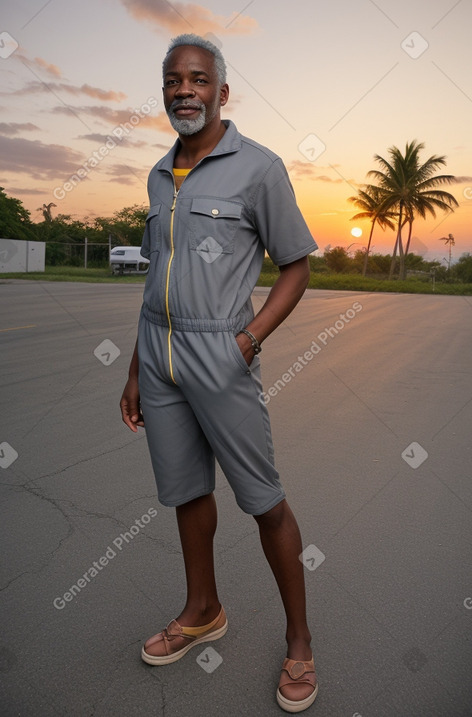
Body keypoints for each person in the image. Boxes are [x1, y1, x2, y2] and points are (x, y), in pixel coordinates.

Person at [120, 33, 319, 713]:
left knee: (264, 501)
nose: (184, 90)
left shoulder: (258, 168)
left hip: (221, 354)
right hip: (160, 354)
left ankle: (299, 639)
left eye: (199, 79)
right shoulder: (155, 175)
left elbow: (297, 264)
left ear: (222, 92)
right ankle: (202, 607)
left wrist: (250, 339)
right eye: (174, 80)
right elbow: (158, 276)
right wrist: (136, 365)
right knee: (185, 493)